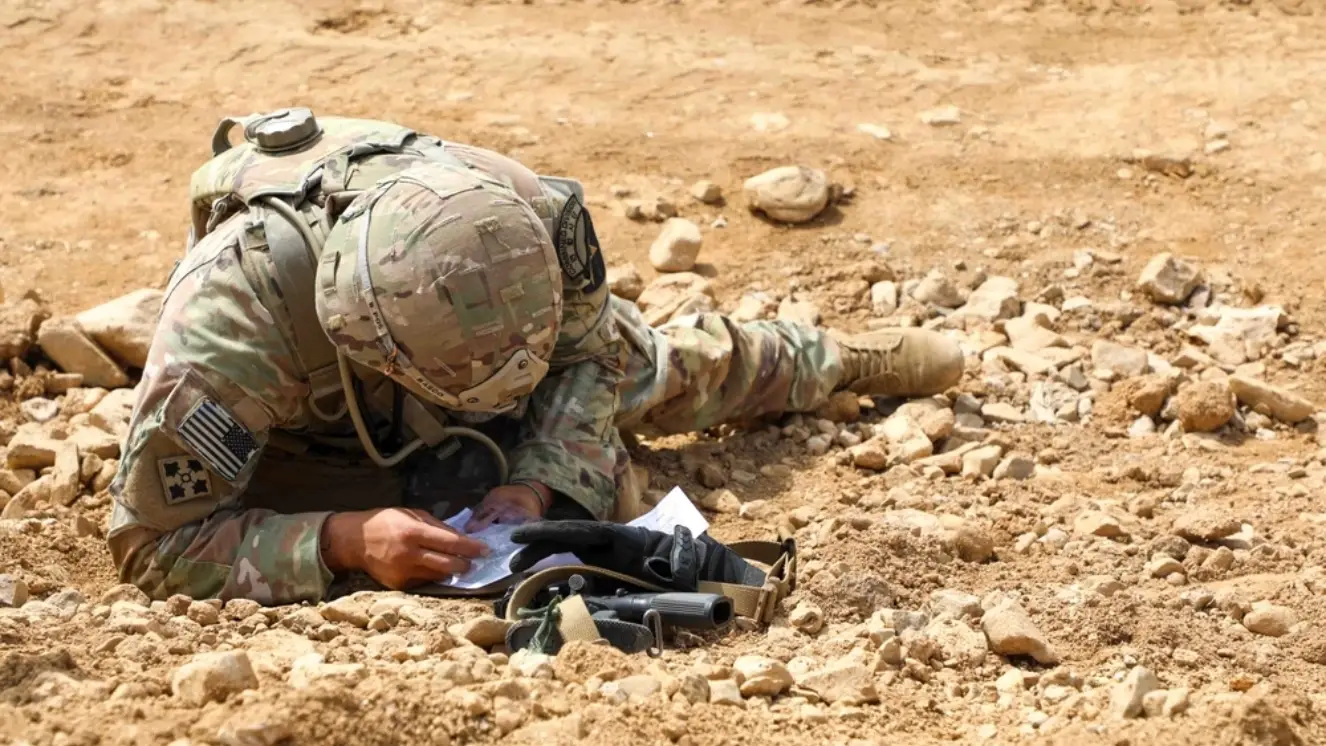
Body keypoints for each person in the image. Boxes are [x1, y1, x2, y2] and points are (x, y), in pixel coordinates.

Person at [106, 108, 965, 604]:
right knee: (396, 505)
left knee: (660, 369)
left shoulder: (532, 224)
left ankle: (836, 359)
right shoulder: (234, 325)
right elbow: (154, 545)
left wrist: (536, 481)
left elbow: (591, 362)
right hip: (320, 424)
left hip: (494, 342)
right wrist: (340, 542)